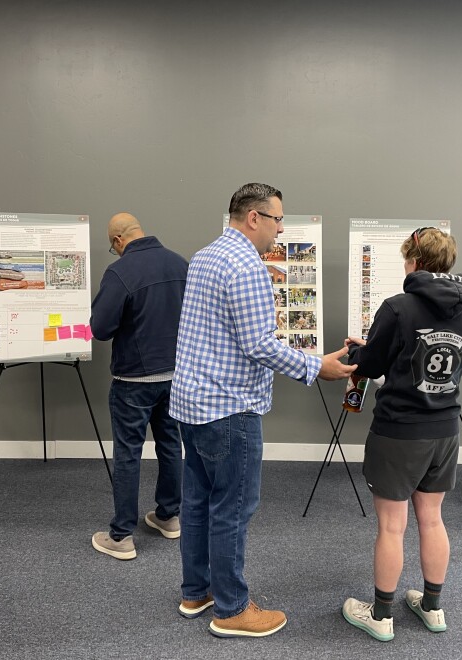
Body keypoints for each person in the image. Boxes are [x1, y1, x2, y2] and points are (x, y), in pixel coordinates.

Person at [170, 183, 356, 638]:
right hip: (230, 408)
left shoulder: (206, 256)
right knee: (233, 506)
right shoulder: (246, 265)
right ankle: (232, 609)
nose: (280, 230)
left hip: (191, 404)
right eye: (277, 220)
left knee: (198, 500)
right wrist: (319, 367)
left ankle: (197, 591)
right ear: (254, 217)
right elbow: (258, 345)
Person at [340, 228, 462, 642]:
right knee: (432, 519)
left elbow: (375, 362)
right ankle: (432, 607)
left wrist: (359, 353)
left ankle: (380, 615)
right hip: (444, 429)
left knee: (392, 526)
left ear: (413, 261)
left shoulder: (398, 307)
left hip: (400, 431)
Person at [89, 213, 188, 560]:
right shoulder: (180, 264)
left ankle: (121, 536)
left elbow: (100, 328)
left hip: (133, 380)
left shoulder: (120, 272)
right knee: (171, 447)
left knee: (128, 455)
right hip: (176, 376)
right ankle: (168, 516)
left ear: (118, 240)